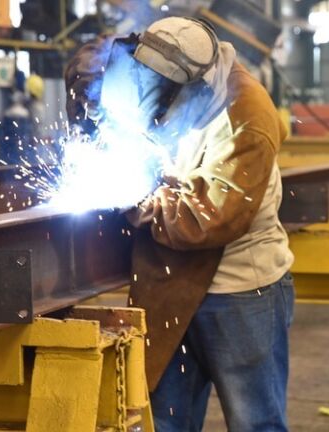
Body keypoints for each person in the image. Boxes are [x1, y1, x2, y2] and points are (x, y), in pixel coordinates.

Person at [64, 16, 295, 431]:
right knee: (164, 423)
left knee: (255, 422)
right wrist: (89, 104)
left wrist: (136, 198)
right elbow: (92, 63)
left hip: (239, 290)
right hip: (168, 282)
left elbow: (206, 220)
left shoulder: (246, 118)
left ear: (195, 87)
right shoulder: (147, 60)